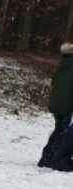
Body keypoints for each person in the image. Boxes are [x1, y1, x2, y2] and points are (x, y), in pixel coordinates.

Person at [38, 42, 73, 170]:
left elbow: (55, 83)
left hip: (56, 103)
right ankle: (57, 159)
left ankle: (47, 157)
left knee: (59, 129)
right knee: (64, 131)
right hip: (67, 104)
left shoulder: (62, 64)